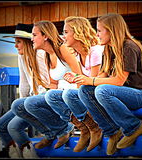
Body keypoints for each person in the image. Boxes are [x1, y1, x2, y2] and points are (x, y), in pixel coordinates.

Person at [73, 13, 142, 155]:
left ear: (111, 30)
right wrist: (81, 79)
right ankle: (112, 132)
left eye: (99, 30)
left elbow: (119, 80)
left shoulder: (129, 46)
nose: (97, 34)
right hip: (125, 94)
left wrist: (92, 81)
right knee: (85, 90)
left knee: (102, 91)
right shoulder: (109, 48)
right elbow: (103, 76)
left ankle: (134, 127)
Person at [12, 20, 82, 151]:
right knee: (18, 105)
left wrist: (77, 103)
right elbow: (52, 84)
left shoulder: (63, 49)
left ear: (45, 36)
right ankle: (52, 133)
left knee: (30, 103)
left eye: (34, 35)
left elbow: (80, 76)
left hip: (70, 95)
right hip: (55, 95)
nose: (31, 39)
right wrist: (43, 98)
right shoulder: (48, 55)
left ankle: (64, 130)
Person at [0, 23, 58, 158]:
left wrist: (28, 103)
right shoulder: (22, 56)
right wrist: (20, 106)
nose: (15, 46)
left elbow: (48, 84)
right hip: (27, 102)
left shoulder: (40, 55)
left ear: (28, 42)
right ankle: (18, 154)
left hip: (39, 103)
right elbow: (24, 83)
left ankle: (29, 154)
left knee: (13, 127)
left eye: (18, 42)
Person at [45, 16, 104, 152]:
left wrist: (78, 78)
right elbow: (84, 79)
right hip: (87, 93)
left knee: (68, 94)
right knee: (51, 96)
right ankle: (84, 127)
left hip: (97, 94)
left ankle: (95, 127)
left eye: (66, 32)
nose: (63, 36)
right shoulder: (78, 55)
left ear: (77, 33)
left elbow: (93, 84)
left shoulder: (95, 51)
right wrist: (74, 77)